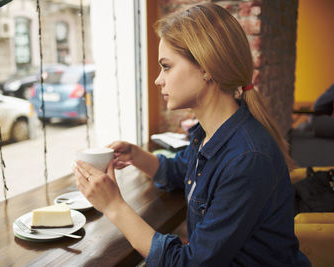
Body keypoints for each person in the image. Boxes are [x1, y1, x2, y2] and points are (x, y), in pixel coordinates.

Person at [74, 3, 310, 266]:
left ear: (207, 68)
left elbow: (187, 263)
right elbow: (180, 171)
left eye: (166, 66)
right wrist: (136, 155)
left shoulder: (246, 158)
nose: (157, 80)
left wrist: (114, 206)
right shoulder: (210, 135)